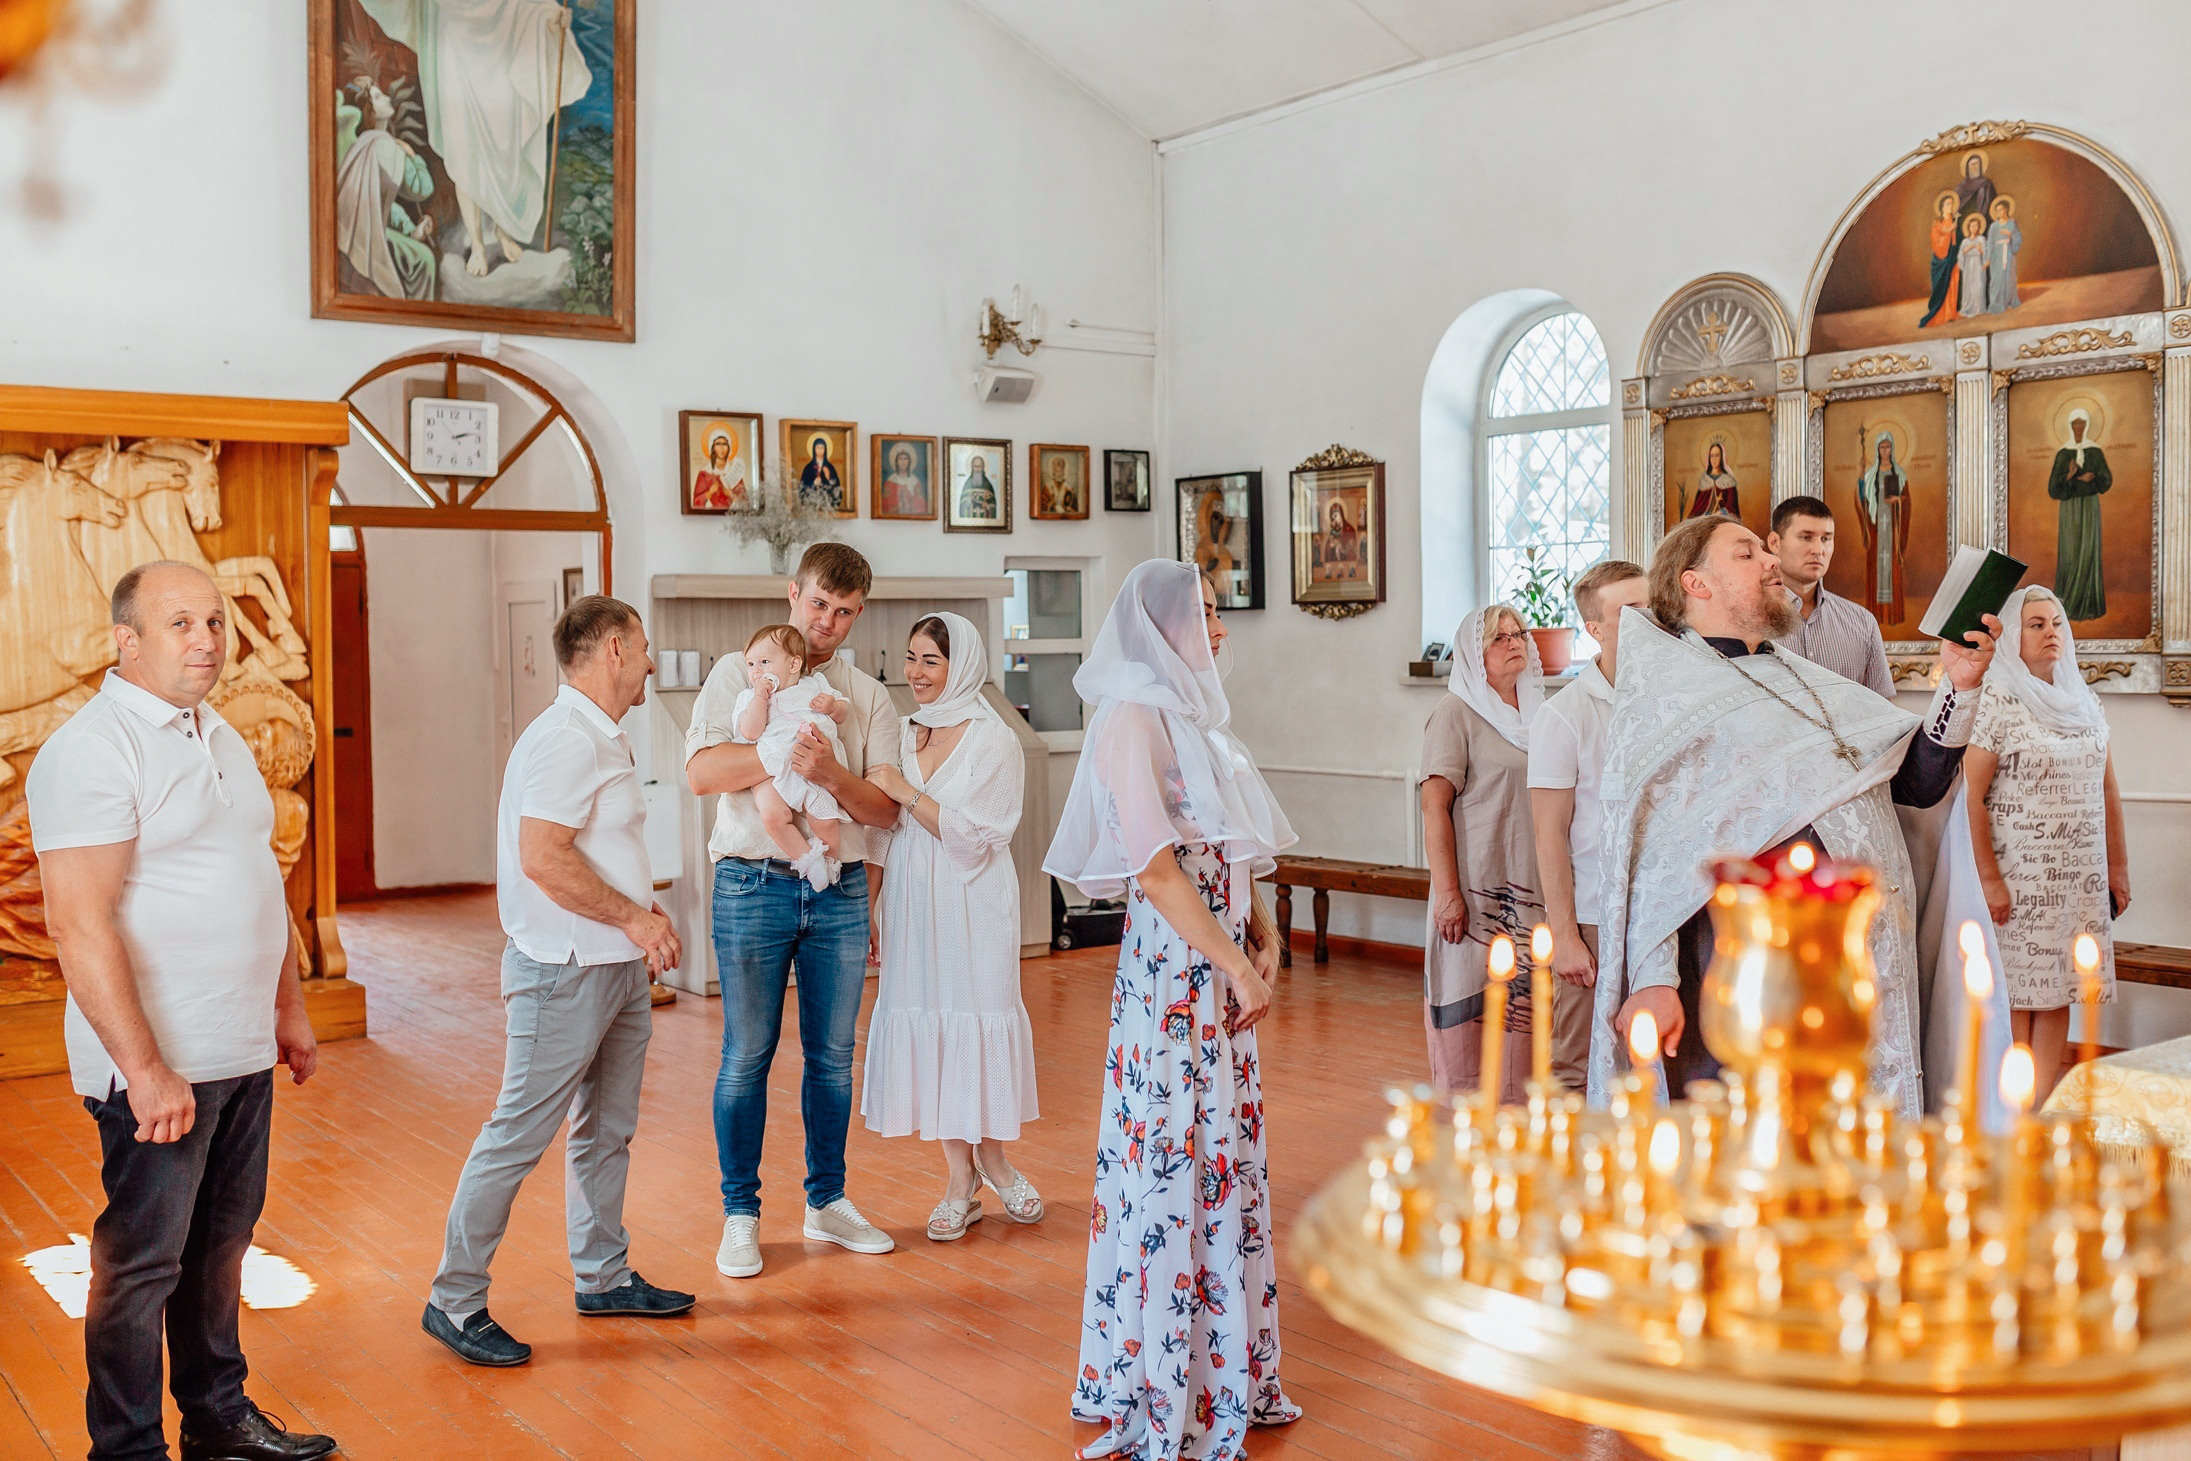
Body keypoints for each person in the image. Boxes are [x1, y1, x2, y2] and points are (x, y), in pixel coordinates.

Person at [29, 561, 336, 1461]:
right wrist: (146, 1068)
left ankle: (217, 1419)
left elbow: (259, 880)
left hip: (239, 1051)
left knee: (221, 1249)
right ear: (125, 640)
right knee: (141, 1264)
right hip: (158, 1066)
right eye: (180, 623)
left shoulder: (220, 733)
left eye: (214, 621)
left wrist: (288, 1007)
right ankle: (127, 1448)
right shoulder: (93, 749)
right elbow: (77, 924)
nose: (206, 639)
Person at [1588, 516, 2003, 1115]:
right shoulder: (1669, 701)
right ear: (1695, 583)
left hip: (1860, 956)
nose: (1771, 562)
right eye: (1746, 554)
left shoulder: (1808, 680)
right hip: (1745, 969)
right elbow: (1654, 857)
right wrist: (1655, 979)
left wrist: (1959, 687)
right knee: (1756, 1136)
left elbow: (1919, 782)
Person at [1045, 560, 1300, 1460]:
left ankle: (1222, 1362)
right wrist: (1231, 964)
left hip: (1217, 958)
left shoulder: (1194, 718)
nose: (1220, 630)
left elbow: (1220, 848)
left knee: (1217, 1151)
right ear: (1160, 626)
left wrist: (1261, 930)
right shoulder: (1131, 718)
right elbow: (1155, 869)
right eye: (1207, 614)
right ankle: (1161, 1376)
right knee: (1172, 1153)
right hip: (1174, 977)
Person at [425, 595, 692, 1368]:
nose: (650, 661)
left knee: (607, 1129)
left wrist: (637, 910)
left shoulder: (598, 735)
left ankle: (602, 1275)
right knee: (516, 1134)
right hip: (563, 972)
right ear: (614, 650)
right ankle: (454, 1298)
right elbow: (543, 856)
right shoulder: (567, 739)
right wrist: (635, 917)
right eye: (643, 646)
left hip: (613, 966)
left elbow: (591, 846)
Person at [685, 544, 904, 1278]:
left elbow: (885, 811)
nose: (827, 622)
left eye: (844, 612)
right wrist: (784, 750)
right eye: (818, 604)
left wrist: (829, 772)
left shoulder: (866, 696)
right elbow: (702, 773)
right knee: (746, 1054)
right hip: (750, 883)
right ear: (792, 593)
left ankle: (827, 1201)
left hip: (838, 890)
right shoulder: (738, 670)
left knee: (833, 1058)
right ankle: (740, 1215)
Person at [861, 613, 1041, 1241]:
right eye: (910, 658)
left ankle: (995, 1161)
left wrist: (905, 791)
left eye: (930, 661)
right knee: (934, 1020)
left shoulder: (996, 741)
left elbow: (977, 838)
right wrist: (870, 907)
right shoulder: (900, 731)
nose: (915, 673)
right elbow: (879, 833)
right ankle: (961, 1180)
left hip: (974, 898)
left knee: (976, 1013)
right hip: (913, 897)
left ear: (960, 665)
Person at [1966, 586, 2129, 1105]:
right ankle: (2011, 1116)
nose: (2050, 632)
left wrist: (2118, 870)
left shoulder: (2083, 700)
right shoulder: (1996, 701)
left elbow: (2107, 790)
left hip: (2077, 877)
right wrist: (1988, 879)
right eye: (2035, 624)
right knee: (2019, 994)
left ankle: (2039, 1113)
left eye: (2056, 623)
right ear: (2013, 634)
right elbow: (1971, 794)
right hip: (2019, 879)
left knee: (2060, 991)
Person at [354, 0, 593, 276]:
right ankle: (477, 244)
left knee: (507, 147)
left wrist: (548, 19)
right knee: (463, 151)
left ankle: (503, 229)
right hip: (454, 54)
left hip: (499, 54)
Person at [1529, 562, 1649, 1092]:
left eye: (1652, 606)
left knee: (1649, 1059)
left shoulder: (1671, 700)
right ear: (1595, 629)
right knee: (1576, 1063)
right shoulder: (1564, 715)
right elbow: (1549, 835)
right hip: (1595, 913)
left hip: (1660, 907)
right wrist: (1565, 935)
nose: (1648, 620)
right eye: (1630, 611)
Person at [1420, 603, 1544, 1098]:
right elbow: (1434, 807)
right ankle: (1466, 1117)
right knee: (1472, 1002)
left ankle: (1520, 1114)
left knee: (1526, 1005)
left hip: (1532, 886)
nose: (1514, 642)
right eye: (1499, 637)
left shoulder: (1540, 714)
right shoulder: (1456, 713)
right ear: (1474, 654)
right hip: (1475, 891)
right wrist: (1448, 893)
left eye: (1519, 633)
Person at [731, 624, 851, 889]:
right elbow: (750, 732)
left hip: (811, 766)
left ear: (794, 664)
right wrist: (759, 699)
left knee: (826, 821)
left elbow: (844, 713)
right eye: (750, 664)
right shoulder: (748, 697)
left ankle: (830, 866)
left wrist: (833, 706)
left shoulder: (814, 685)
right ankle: (808, 860)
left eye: (764, 662)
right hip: (770, 769)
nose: (756, 671)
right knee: (773, 816)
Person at [1767, 494, 1896, 697]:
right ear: (1775, 542)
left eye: (1826, 539)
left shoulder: (1862, 622)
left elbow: (1882, 708)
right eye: (1806, 537)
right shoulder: (1748, 618)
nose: (1818, 550)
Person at [2049, 408, 2113, 622]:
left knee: (2088, 550)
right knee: (2071, 551)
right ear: (2070, 426)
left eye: (2082, 423)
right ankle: (2068, 603)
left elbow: (2106, 480)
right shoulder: (2063, 453)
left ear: (2087, 426)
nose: (2079, 428)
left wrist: (2091, 479)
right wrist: (2069, 476)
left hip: (2089, 507)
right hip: (2069, 509)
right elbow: (2053, 489)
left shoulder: (2094, 451)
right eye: (2075, 424)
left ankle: (2088, 605)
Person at [1856, 430, 1912, 626]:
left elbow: (1907, 499)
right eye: (1882, 447)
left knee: (1892, 567)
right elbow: (1862, 499)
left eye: (1888, 447)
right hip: (1875, 529)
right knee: (1876, 569)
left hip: (1893, 530)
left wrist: (1899, 500)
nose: (1885, 451)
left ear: (1893, 449)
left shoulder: (1900, 474)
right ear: (1877, 450)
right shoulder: (1870, 474)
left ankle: (1892, 615)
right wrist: (1861, 479)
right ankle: (1876, 616)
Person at [1919, 192, 1963, 328]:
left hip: (1954, 257)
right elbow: (1936, 241)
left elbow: (1959, 240)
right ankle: (1943, 313)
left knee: (1953, 283)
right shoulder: (1938, 223)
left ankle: (1952, 312)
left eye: (1952, 204)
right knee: (1944, 285)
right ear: (1942, 207)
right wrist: (1949, 230)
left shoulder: (1956, 221)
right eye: (1948, 204)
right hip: (1942, 260)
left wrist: (1956, 233)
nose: (1951, 206)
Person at [692, 430, 747, 512]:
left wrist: (730, 494)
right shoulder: (704, 474)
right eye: (718, 444)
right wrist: (710, 492)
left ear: (729, 447)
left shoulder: (735, 473)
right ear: (712, 447)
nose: (721, 448)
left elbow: (746, 504)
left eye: (724, 444)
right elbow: (696, 502)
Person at [1985, 197, 2023, 314]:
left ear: (2006, 209)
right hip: (1997, 254)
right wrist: (1988, 258)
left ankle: (2009, 301)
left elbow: (2018, 237)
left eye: (2001, 209)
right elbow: (1990, 243)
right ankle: (1996, 303)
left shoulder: (2012, 223)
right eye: (1997, 210)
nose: (1999, 212)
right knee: (1997, 279)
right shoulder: (1994, 226)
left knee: (2009, 278)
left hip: (2009, 253)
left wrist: (2010, 234)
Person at [1684, 441, 1740, 521]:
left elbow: (1732, 509)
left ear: (1722, 457)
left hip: (1723, 520)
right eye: (1712, 456)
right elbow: (1698, 508)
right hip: (1704, 520)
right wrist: (1707, 516)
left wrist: (1721, 512)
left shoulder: (1728, 481)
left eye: (1717, 455)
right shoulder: (1704, 480)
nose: (1714, 459)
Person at [1956, 213, 1989, 318]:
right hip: (1968, 266)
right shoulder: (1965, 241)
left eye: (1976, 226)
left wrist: (1980, 250)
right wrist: (1967, 249)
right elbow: (1960, 255)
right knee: (1968, 287)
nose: (1974, 228)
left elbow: (1987, 253)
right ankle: (1967, 308)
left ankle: (1979, 309)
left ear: (1979, 227)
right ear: (1968, 228)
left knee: (1979, 286)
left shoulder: (1981, 239)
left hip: (1978, 265)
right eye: (1972, 226)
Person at [881, 446, 928, 517]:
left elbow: (921, 503)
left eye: (906, 459)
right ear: (896, 462)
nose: (903, 462)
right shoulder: (890, 481)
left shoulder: (914, 481)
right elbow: (885, 503)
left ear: (909, 462)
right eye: (900, 459)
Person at [799, 435, 843, 511]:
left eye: (822, 448)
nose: (820, 450)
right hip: (812, 506)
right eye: (818, 448)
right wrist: (813, 483)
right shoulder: (808, 468)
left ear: (825, 449)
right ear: (814, 449)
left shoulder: (830, 467)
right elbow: (801, 488)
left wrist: (829, 477)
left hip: (826, 505)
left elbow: (837, 489)